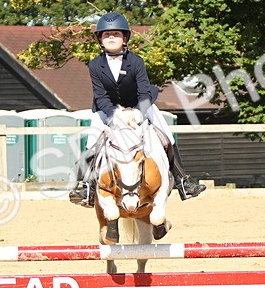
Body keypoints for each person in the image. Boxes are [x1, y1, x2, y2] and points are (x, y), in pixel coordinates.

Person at [69, 12, 205, 206]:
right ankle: (85, 186)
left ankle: (183, 180)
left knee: (166, 135)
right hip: (108, 109)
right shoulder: (95, 65)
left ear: (125, 38)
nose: (111, 38)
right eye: (106, 35)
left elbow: (143, 92)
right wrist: (114, 117)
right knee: (92, 141)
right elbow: (101, 96)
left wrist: (139, 115)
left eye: (115, 34)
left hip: (139, 105)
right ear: (100, 39)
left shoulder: (136, 61)